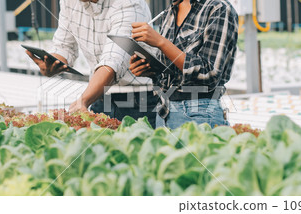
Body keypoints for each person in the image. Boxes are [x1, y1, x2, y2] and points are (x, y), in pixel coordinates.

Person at [26, 0, 158, 128]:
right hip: (99, 98)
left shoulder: (129, 2)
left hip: (140, 101)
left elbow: (113, 60)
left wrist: (83, 100)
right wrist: (51, 64)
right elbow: (64, 46)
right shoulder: (69, 2)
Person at [129, 0, 238, 129]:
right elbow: (172, 70)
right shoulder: (171, 10)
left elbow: (209, 72)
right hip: (164, 112)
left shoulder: (219, 8)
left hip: (200, 114)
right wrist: (151, 70)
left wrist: (161, 42)